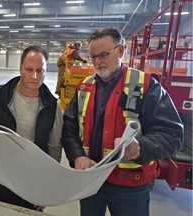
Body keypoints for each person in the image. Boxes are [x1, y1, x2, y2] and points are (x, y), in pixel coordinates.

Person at [61, 27, 184, 216]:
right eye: (93, 57)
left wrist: (141, 147)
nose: (97, 62)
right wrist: (77, 156)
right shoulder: (85, 86)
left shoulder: (146, 85)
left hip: (129, 186)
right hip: (90, 180)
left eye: (103, 55)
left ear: (120, 51)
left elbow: (173, 135)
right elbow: (68, 127)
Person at [0, 45, 63, 212]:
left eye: (40, 70)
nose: (34, 76)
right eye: (29, 69)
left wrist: (46, 188)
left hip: (31, 187)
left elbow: (54, 148)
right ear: (20, 68)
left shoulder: (53, 106)